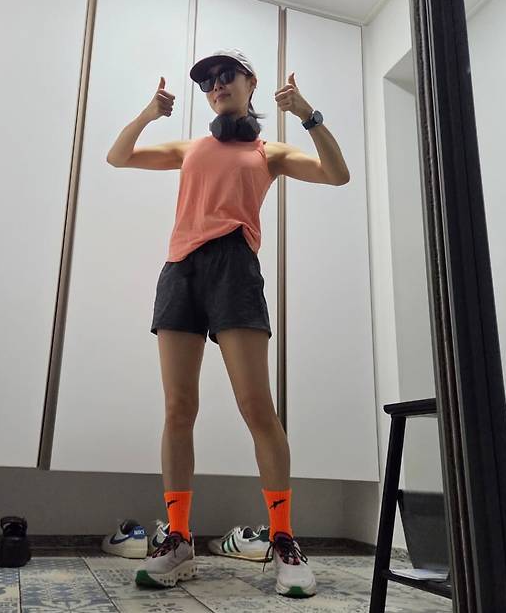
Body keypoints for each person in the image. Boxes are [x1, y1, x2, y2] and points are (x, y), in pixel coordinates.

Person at [106, 48, 349, 597]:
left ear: (250, 83)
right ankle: (179, 538)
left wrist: (307, 114)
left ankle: (283, 539)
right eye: (208, 81)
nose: (216, 85)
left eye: (226, 76)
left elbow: (338, 175)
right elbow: (118, 156)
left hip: (234, 269)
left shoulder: (268, 151)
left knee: (257, 407)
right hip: (181, 272)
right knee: (178, 409)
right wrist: (149, 113)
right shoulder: (191, 147)